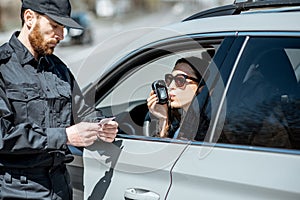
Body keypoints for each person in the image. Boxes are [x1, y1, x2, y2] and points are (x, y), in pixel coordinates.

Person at [0, 0, 118, 199]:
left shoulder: (59, 69)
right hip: (18, 191)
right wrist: (64, 136)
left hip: (61, 187)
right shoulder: (3, 68)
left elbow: (83, 112)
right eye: (55, 26)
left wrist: (100, 124)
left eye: (63, 28)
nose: (62, 36)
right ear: (29, 18)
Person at [147, 56, 210, 138]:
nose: (171, 86)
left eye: (180, 80)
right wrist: (163, 120)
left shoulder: (206, 125)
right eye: (170, 79)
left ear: (200, 88)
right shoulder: (177, 120)